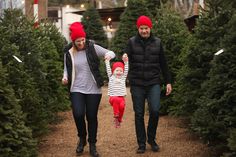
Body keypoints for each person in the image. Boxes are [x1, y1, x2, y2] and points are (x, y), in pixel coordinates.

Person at [62, 22, 115, 157]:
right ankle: (82, 138)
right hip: (76, 88)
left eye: (82, 40)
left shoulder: (92, 47)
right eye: (78, 41)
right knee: (78, 114)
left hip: (93, 89)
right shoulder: (68, 52)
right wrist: (65, 77)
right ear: (73, 40)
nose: (81, 43)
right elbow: (66, 69)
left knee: (91, 117)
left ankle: (92, 144)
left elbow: (111, 52)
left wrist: (108, 56)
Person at [124, 15, 172, 154]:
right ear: (138, 29)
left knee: (155, 110)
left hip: (153, 82)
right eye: (141, 28)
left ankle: (151, 139)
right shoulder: (131, 42)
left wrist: (168, 81)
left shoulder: (157, 42)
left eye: (146, 28)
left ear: (150, 28)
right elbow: (126, 58)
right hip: (137, 83)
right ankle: (141, 144)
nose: (144, 31)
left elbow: (164, 63)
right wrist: (124, 57)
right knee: (139, 114)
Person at [105, 54, 128, 128]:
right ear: (113, 71)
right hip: (113, 98)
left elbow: (126, 70)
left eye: (121, 71)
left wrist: (126, 62)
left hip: (121, 98)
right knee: (115, 99)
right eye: (117, 70)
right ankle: (116, 115)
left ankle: (119, 120)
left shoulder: (123, 78)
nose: (119, 72)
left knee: (122, 106)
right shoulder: (111, 77)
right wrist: (107, 61)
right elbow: (108, 68)